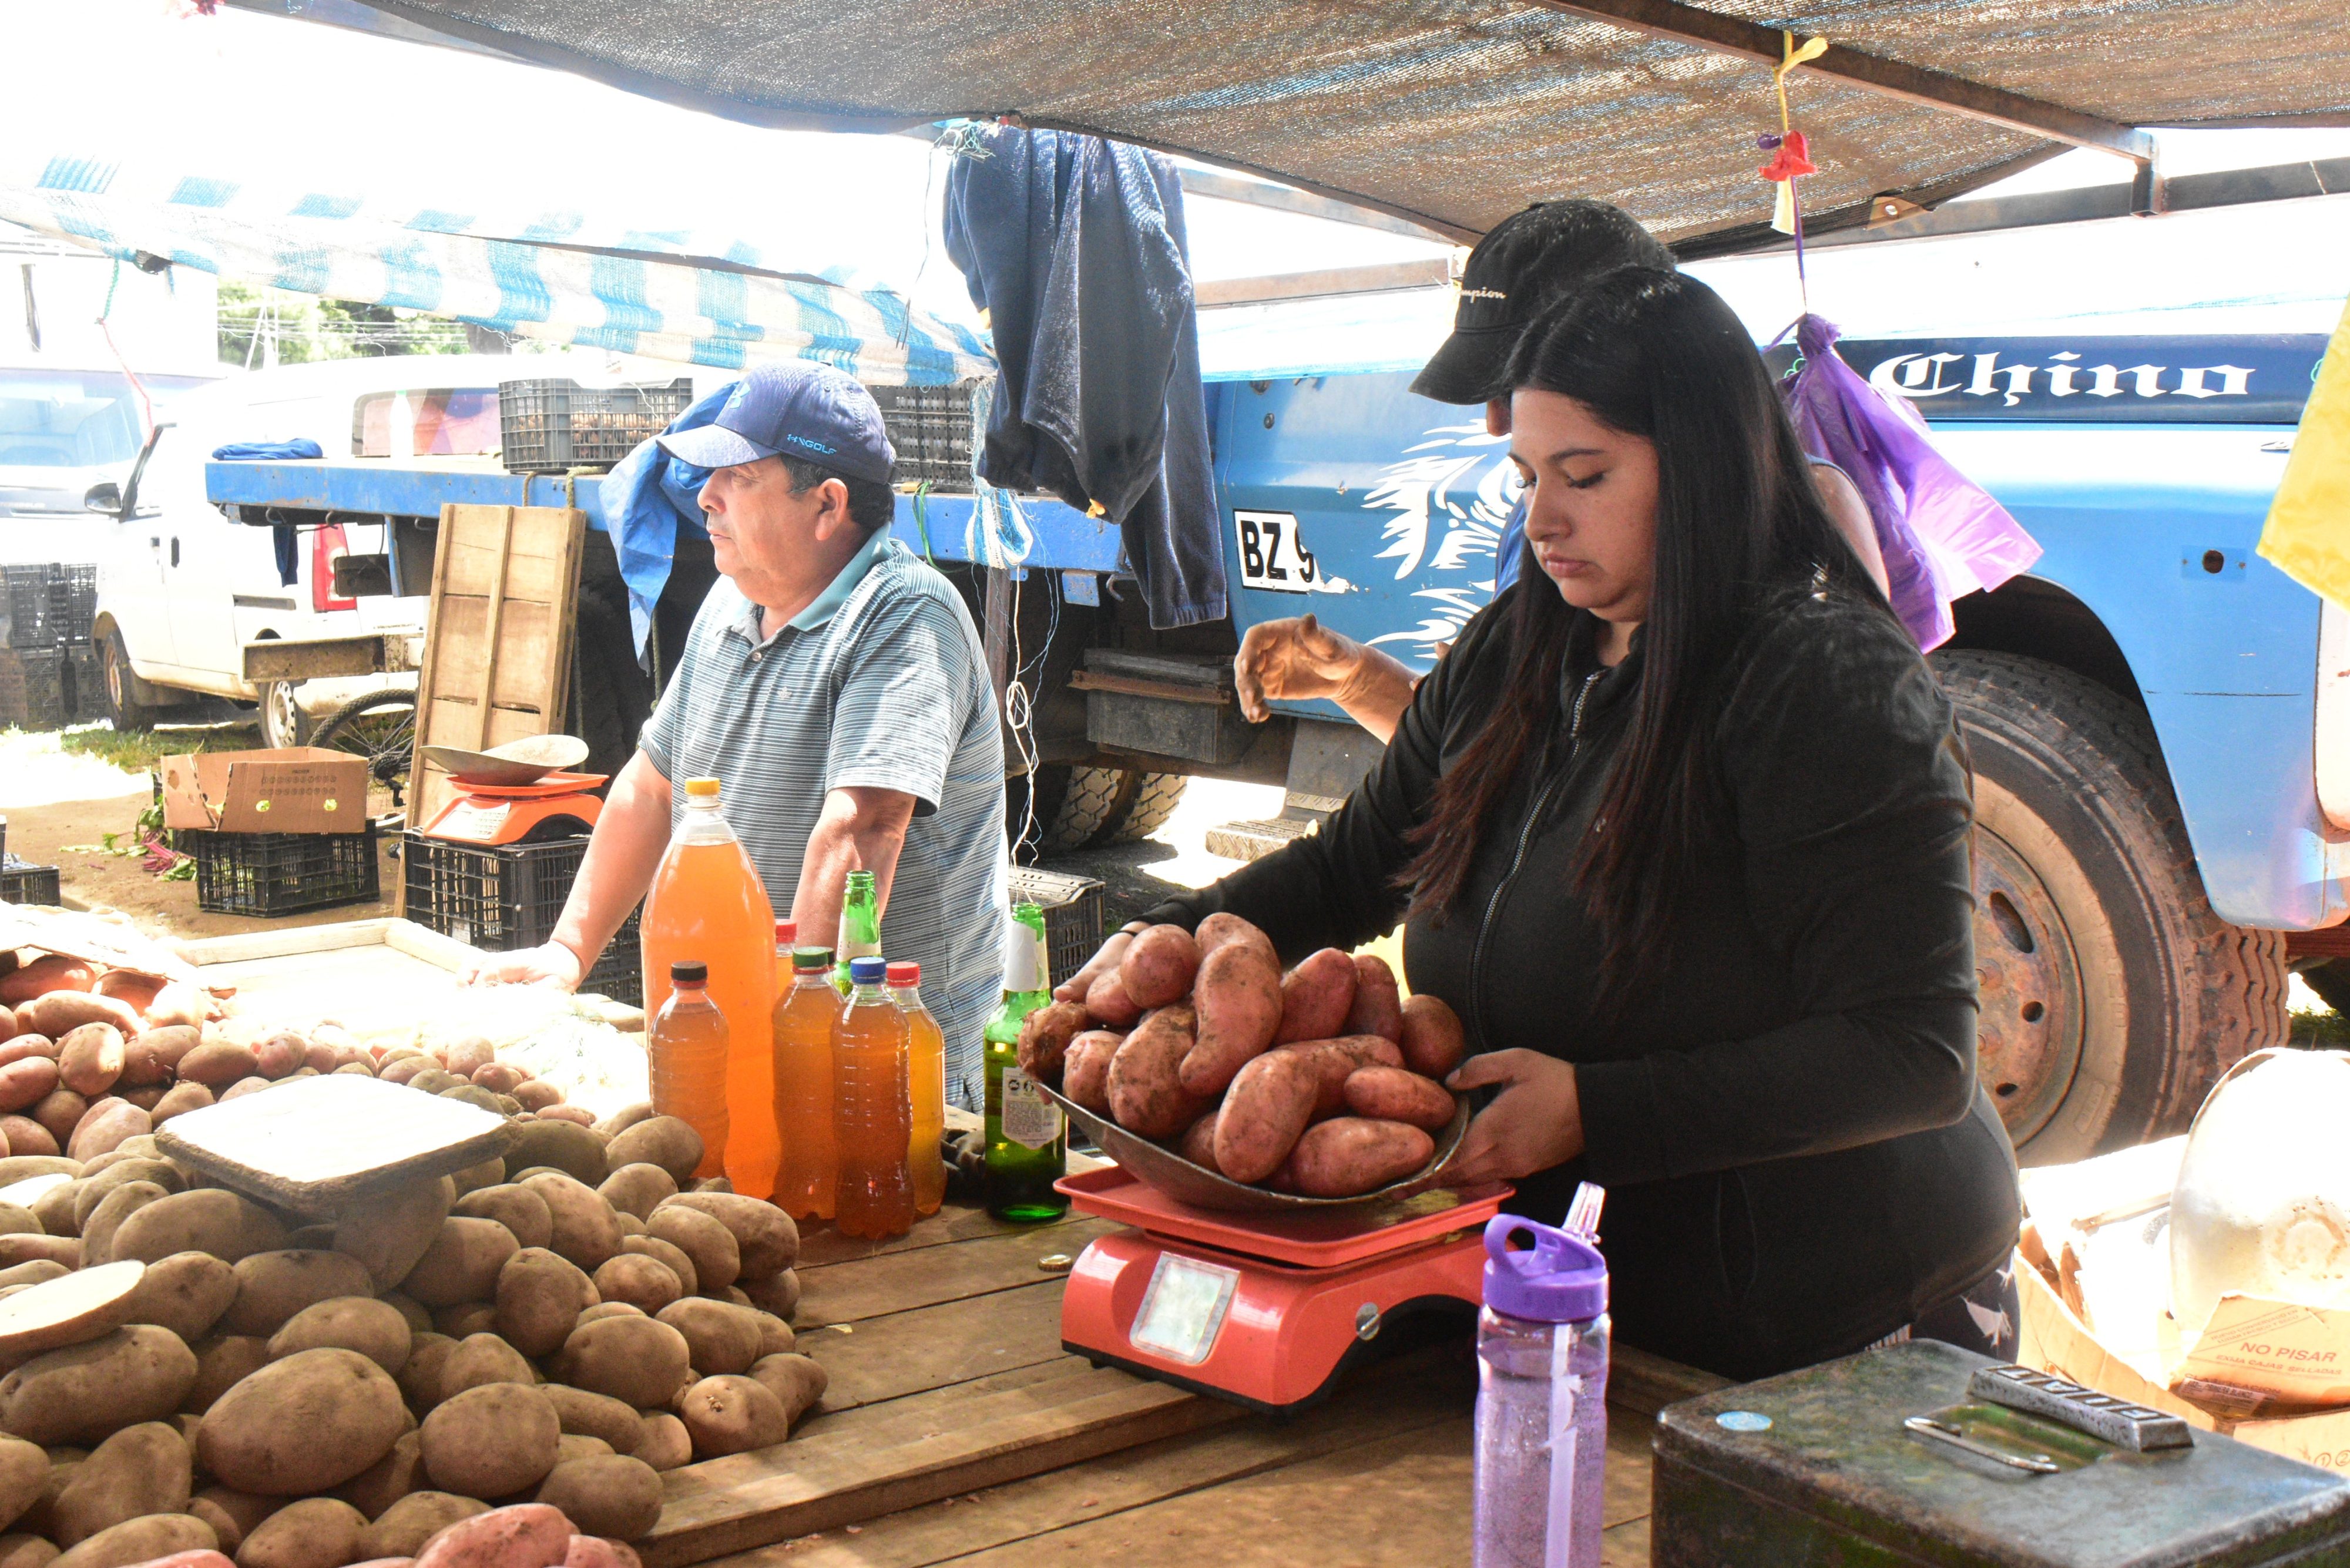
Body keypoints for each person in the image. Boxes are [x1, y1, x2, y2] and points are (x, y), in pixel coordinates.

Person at [1063, 270, 2019, 1382]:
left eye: (1586, 475)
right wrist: (1148, 955)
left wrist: (1597, 1109)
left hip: (1836, 1322)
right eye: (1526, 476)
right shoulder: (1528, 640)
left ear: (1708, 467)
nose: (1542, 520)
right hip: (1588, 1293)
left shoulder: (1829, 681)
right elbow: (1352, 867)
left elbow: (1914, 1053)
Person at [475, 361, 1009, 1104]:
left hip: (879, 1061)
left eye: (738, 478)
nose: (705, 498)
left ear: (828, 504)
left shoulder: (905, 614)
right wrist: (566, 952)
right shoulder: (730, 602)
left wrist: (791, 1026)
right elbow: (651, 788)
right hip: (747, 1039)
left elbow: (861, 829)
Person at [1235, 199, 1886, 743]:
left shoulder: (1800, 529)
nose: (1496, 423)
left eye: (1585, 475)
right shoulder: (1539, 518)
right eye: (1535, 476)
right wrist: (1358, 680)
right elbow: (1505, 764)